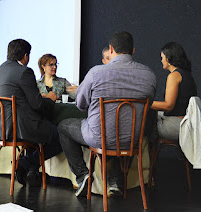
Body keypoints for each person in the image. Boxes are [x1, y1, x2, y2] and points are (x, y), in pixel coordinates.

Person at [57, 31, 157, 197]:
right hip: (132, 140)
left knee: (63, 127)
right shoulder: (149, 75)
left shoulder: (96, 73)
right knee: (121, 127)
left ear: (111, 49)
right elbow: (149, 105)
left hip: (99, 138)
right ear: (133, 50)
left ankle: (83, 176)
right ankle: (116, 181)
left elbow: (81, 104)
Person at [0, 39, 62, 187]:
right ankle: (25, 163)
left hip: (1, 129)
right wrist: (50, 98)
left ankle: (31, 168)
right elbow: (37, 105)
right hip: (22, 128)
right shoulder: (24, 72)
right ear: (25, 56)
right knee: (62, 135)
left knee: (42, 131)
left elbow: (20, 97)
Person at [150, 42, 197, 141]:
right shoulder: (187, 75)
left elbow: (168, 106)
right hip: (189, 123)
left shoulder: (174, 76)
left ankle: (144, 156)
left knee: (145, 125)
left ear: (168, 58)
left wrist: (146, 103)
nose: (161, 60)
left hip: (178, 125)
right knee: (152, 115)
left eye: (162, 57)